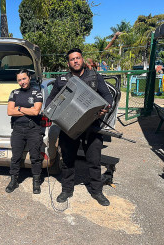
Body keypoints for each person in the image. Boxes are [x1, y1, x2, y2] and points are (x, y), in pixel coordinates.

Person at [45, 48, 113, 206]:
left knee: (94, 160)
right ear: (68, 63)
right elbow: (51, 99)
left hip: (92, 126)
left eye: (78, 58)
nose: (75, 61)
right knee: (68, 160)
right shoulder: (62, 79)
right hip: (69, 127)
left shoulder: (95, 77)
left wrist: (106, 107)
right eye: (72, 59)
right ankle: (67, 189)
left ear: (82, 59)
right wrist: (49, 112)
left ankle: (97, 191)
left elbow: (107, 96)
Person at [6, 69, 44, 194]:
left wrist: (20, 107)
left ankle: (36, 182)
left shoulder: (37, 93)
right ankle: (14, 181)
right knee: (15, 157)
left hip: (33, 129)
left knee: (35, 157)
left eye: (24, 79)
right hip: (17, 129)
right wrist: (28, 109)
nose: (22, 82)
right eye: (19, 80)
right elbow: (10, 112)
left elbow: (36, 112)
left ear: (29, 78)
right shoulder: (14, 93)